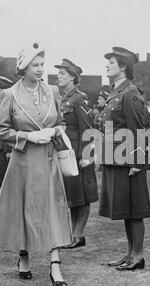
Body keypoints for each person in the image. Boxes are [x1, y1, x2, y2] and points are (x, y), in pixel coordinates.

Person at [0, 43, 72, 286]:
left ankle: (55, 264)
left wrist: (53, 130)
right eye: (35, 65)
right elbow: (1, 130)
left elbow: (63, 122)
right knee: (25, 209)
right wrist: (27, 137)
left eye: (42, 64)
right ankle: (23, 255)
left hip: (48, 159)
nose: (40, 69)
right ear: (22, 68)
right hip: (23, 161)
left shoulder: (53, 90)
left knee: (52, 210)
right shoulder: (10, 94)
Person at [97, 47, 150, 271]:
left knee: (134, 209)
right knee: (126, 209)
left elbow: (138, 129)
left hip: (128, 160)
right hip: (116, 158)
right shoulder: (116, 92)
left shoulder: (130, 93)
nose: (107, 65)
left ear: (123, 67)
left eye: (111, 62)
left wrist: (136, 163)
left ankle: (138, 256)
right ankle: (130, 254)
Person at [54, 59, 98, 249]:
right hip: (65, 153)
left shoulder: (80, 98)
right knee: (72, 195)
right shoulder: (62, 98)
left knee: (83, 194)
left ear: (72, 76)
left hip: (78, 154)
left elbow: (87, 129)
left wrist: (85, 156)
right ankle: (72, 234)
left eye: (62, 73)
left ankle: (79, 234)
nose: (58, 76)